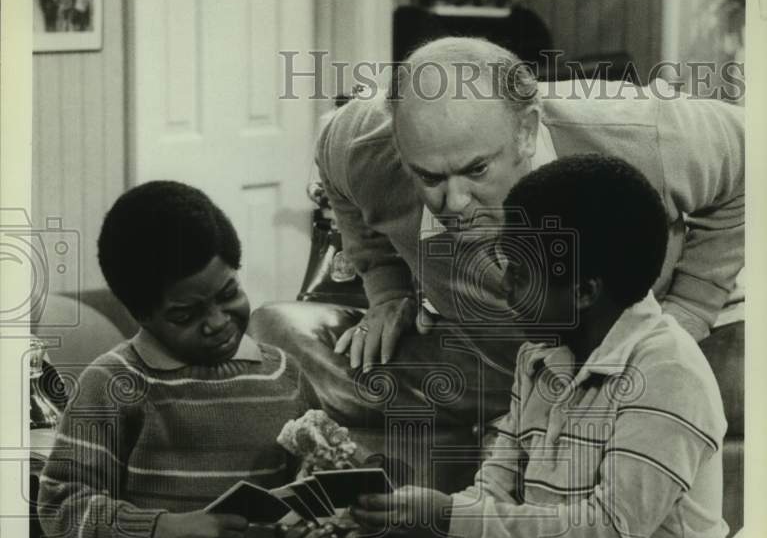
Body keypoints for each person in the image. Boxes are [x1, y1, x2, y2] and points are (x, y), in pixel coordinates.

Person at [287, 154, 730, 538]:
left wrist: (449, 515)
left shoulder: (665, 370)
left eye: (519, 276)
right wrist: (392, 523)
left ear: (584, 291)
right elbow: (496, 483)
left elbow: (610, 534)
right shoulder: (540, 352)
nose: (504, 288)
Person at [256, 36, 744, 428]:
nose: (454, 204)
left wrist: (691, 312)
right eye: (428, 177)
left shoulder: (638, 129)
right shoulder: (359, 141)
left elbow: (751, 153)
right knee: (272, 331)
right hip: (491, 354)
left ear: (527, 131)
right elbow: (333, 167)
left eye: (476, 170)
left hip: (645, 335)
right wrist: (385, 288)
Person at [38, 181, 321, 538]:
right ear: (141, 315)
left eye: (228, 294)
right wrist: (161, 531)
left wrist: (310, 527)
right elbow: (60, 510)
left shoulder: (283, 376)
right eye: (185, 316)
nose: (217, 322)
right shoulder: (114, 382)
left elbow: (309, 490)